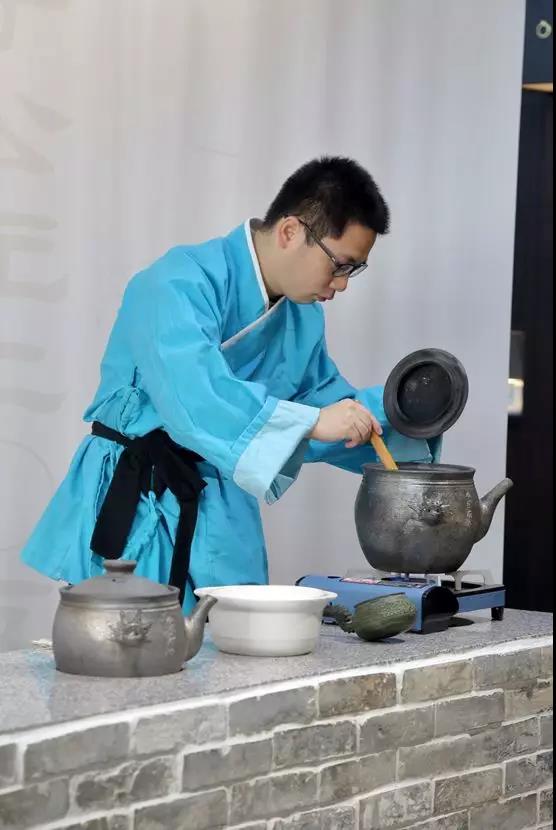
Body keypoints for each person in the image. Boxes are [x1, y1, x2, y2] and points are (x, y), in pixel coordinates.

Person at [21, 156, 440, 612]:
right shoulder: (176, 282)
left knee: (232, 641)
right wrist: (310, 422)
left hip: (220, 505)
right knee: (135, 641)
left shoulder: (302, 316)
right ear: (290, 231)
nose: (341, 285)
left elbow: (325, 409)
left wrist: (404, 411)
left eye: (353, 270)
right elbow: (193, 394)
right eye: (340, 265)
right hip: (143, 496)